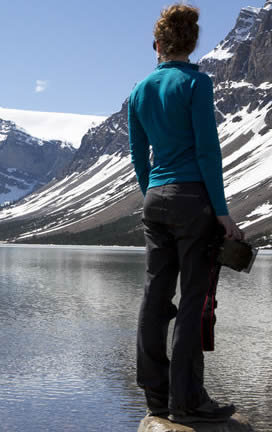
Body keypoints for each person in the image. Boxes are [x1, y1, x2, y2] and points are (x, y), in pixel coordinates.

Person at [128, 3, 244, 424]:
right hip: (194, 198)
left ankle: (155, 397)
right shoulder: (197, 83)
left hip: (156, 198)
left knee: (154, 296)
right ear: (192, 44)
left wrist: (152, 194)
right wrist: (223, 212)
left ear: (157, 45)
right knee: (194, 300)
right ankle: (188, 399)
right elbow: (207, 151)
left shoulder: (139, 91)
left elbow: (139, 155)